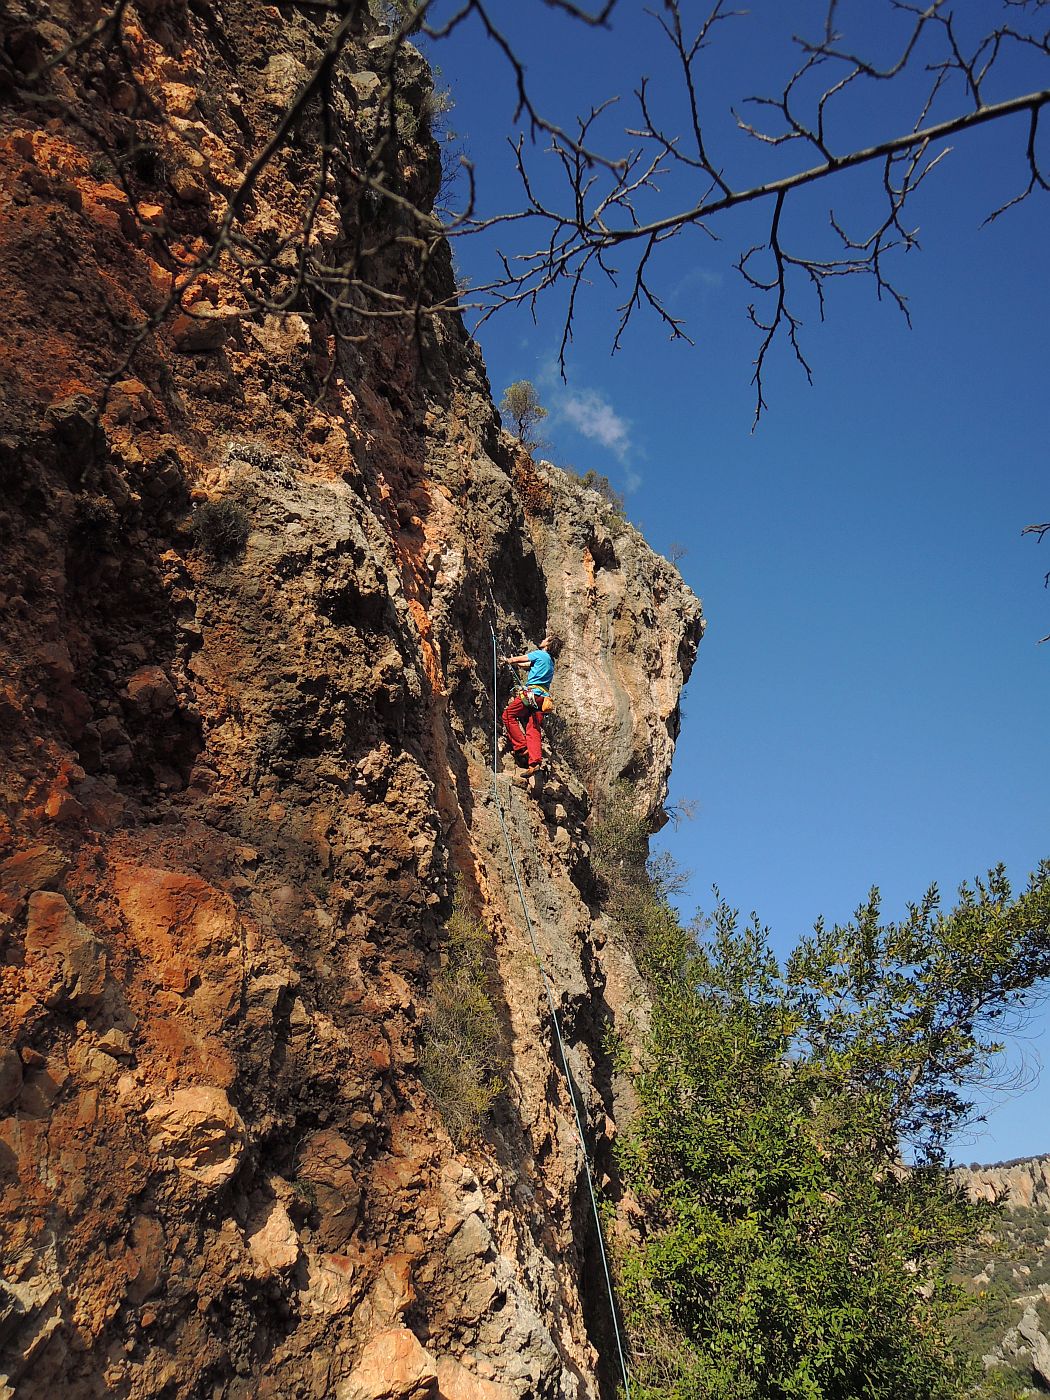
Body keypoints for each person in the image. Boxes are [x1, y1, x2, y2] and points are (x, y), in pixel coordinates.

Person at [501, 634, 562, 775]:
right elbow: (526, 665)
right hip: (543, 699)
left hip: (532, 694)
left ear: (548, 644)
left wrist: (508, 660)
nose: (542, 640)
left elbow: (521, 659)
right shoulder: (550, 661)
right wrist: (514, 663)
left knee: (508, 715)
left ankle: (522, 747)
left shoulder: (539, 654)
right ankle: (535, 762)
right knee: (533, 728)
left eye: (546, 639)